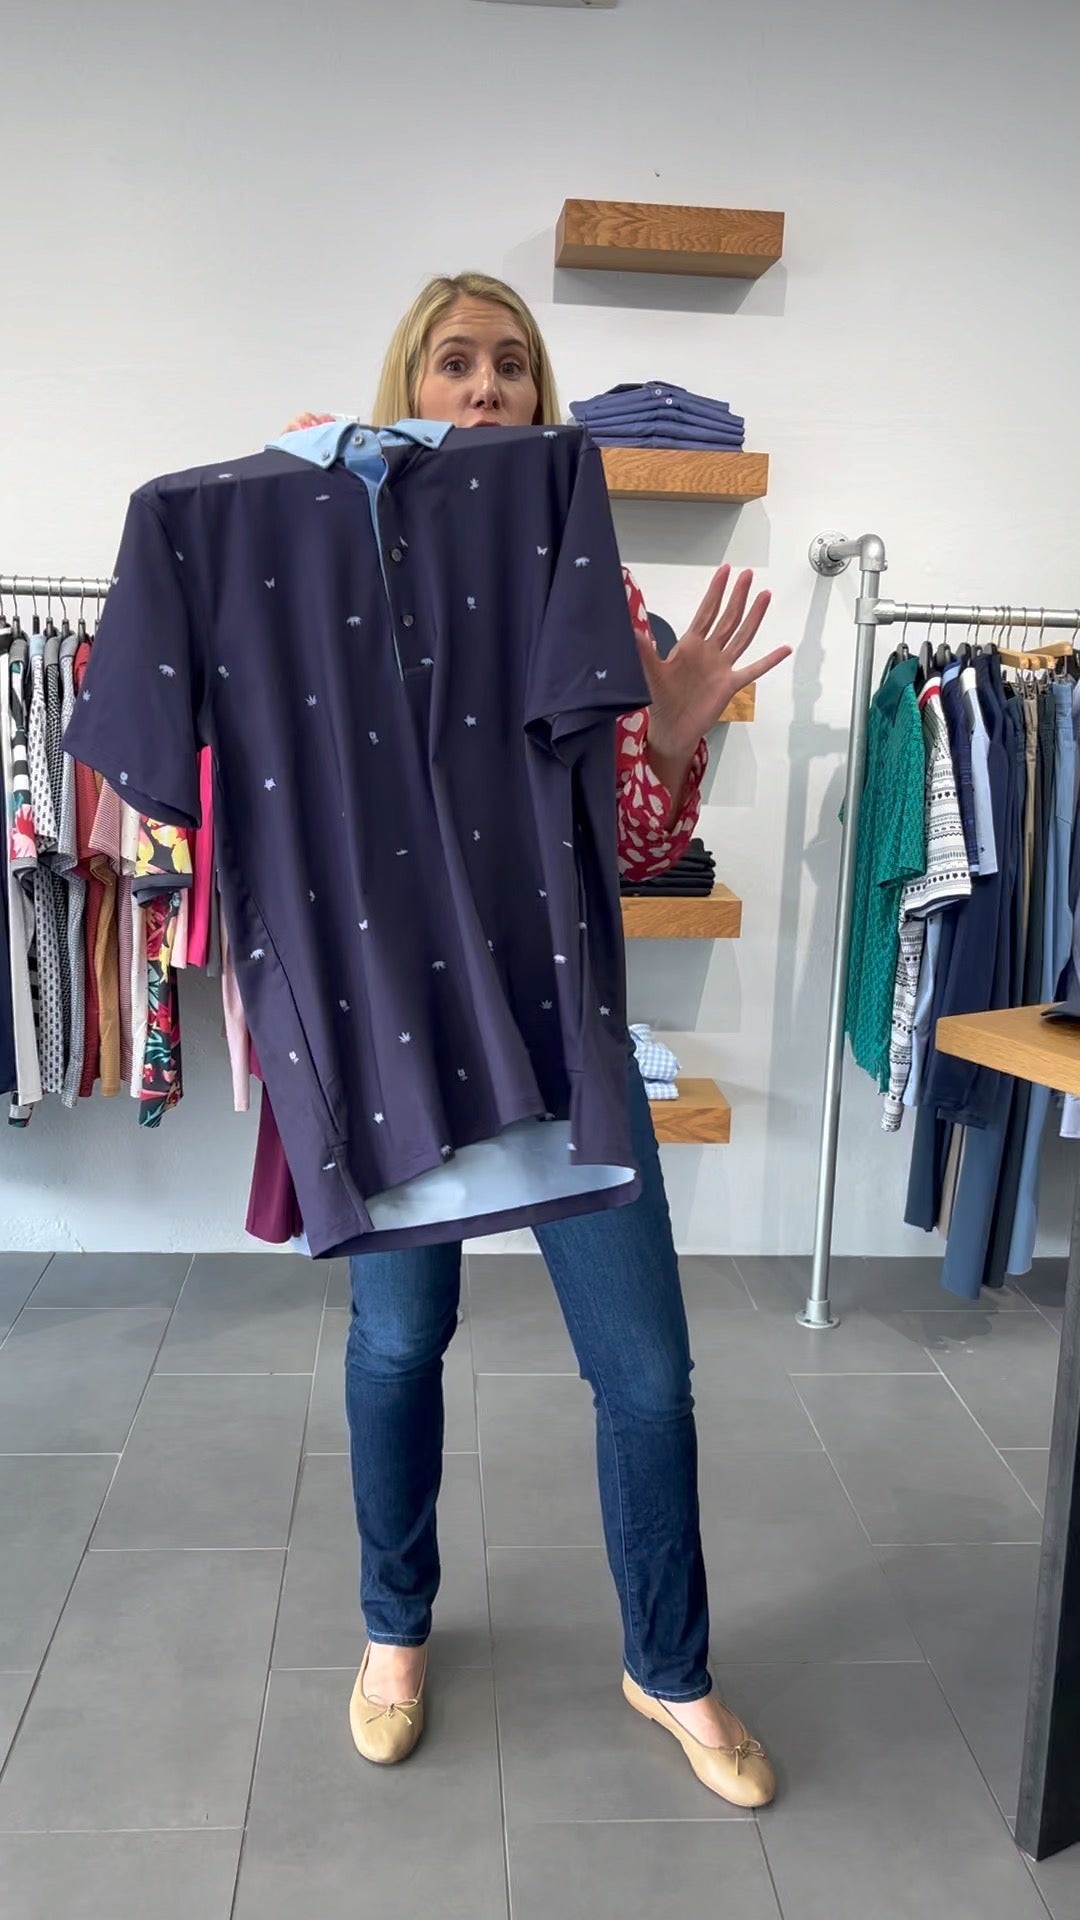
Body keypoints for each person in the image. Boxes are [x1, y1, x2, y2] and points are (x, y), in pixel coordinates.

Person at [283, 272, 790, 1808]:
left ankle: (669, 1664)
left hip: (564, 1030)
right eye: (456, 363)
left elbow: (629, 850)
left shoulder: (598, 594)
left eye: (513, 364)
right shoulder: (333, 558)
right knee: (397, 1343)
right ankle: (393, 1632)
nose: (489, 388)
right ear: (410, 388)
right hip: (398, 1030)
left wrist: (674, 732)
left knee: (646, 1373)